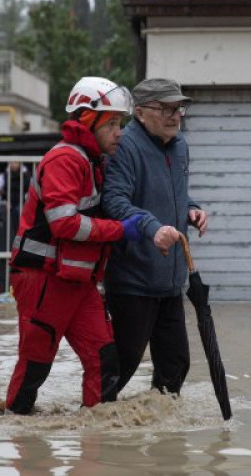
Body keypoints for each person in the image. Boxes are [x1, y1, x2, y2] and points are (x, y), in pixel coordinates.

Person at [4, 76, 153, 414]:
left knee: (105, 361)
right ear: (89, 120)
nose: (120, 132)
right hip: (44, 279)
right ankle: (20, 442)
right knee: (36, 365)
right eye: (113, 123)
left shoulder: (91, 160)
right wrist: (120, 230)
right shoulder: (66, 160)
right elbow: (64, 223)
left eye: (121, 123)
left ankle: (97, 444)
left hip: (75, 281)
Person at [102, 78, 209, 395]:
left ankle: (161, 436)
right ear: (141, 112)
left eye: (179, 108)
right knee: (121, 367)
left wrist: (192, 209)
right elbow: (115, 203)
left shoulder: (180, 146)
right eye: (165, 108)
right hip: (133, 281)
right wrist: (152, 227)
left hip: (171, 281)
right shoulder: (125, 146)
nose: (175, 116)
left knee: (176, 365)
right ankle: (92, 430)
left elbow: (174, 195)